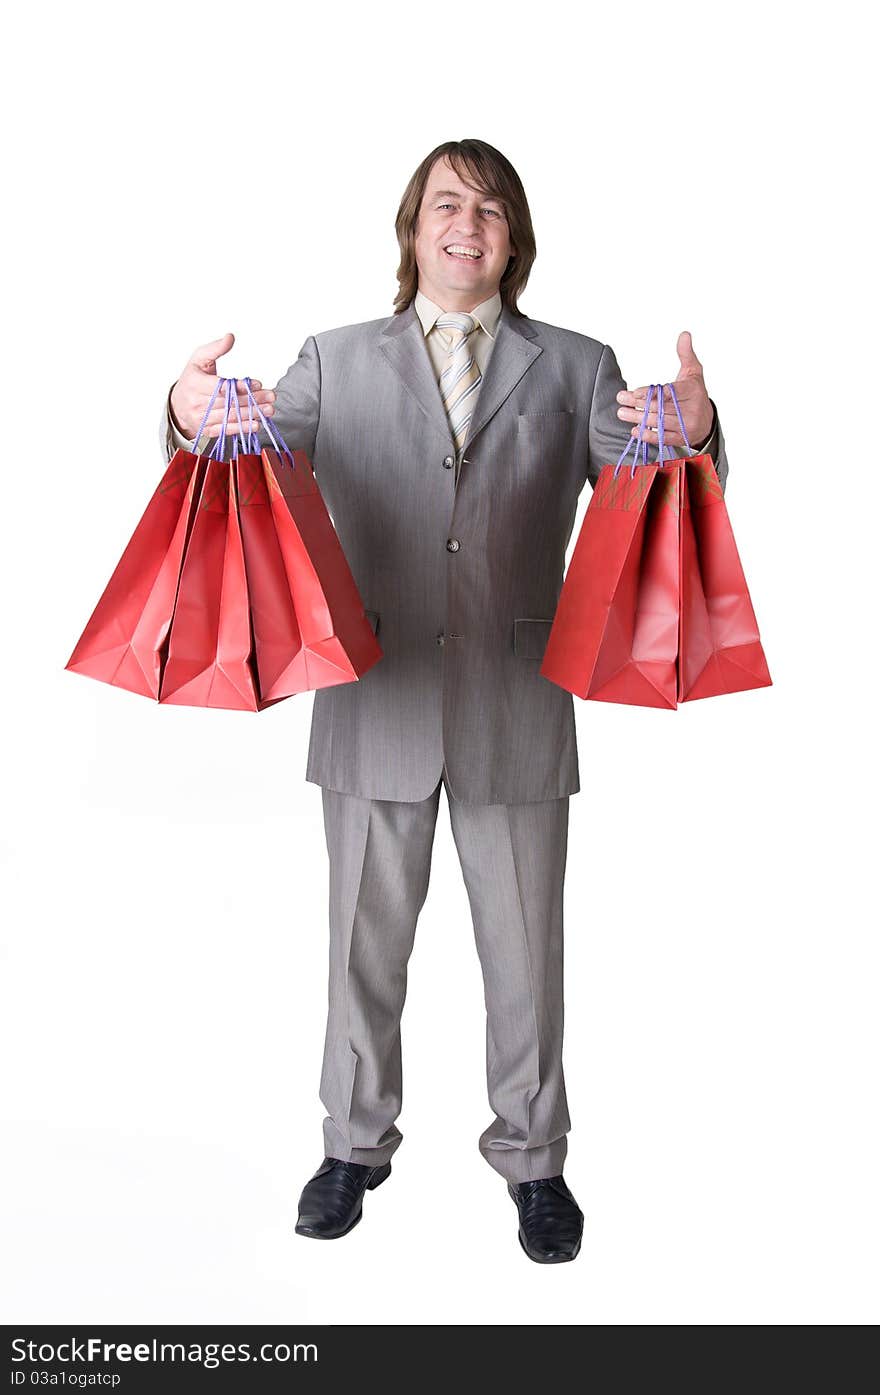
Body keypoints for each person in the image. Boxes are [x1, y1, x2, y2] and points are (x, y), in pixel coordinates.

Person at [160, 139, 727, 1264]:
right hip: (373, 700)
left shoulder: (572, 363)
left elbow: (653, 474)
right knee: (361, 952)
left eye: (491, 209)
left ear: (514, 239)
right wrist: (188, 417)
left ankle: (534, 1160)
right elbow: (256, 459)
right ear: (412, 228)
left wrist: (695, 429)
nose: (467, 224)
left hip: (518, 703)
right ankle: (352, 1146)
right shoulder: (331, 359)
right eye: (446, 205)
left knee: (526, 954)